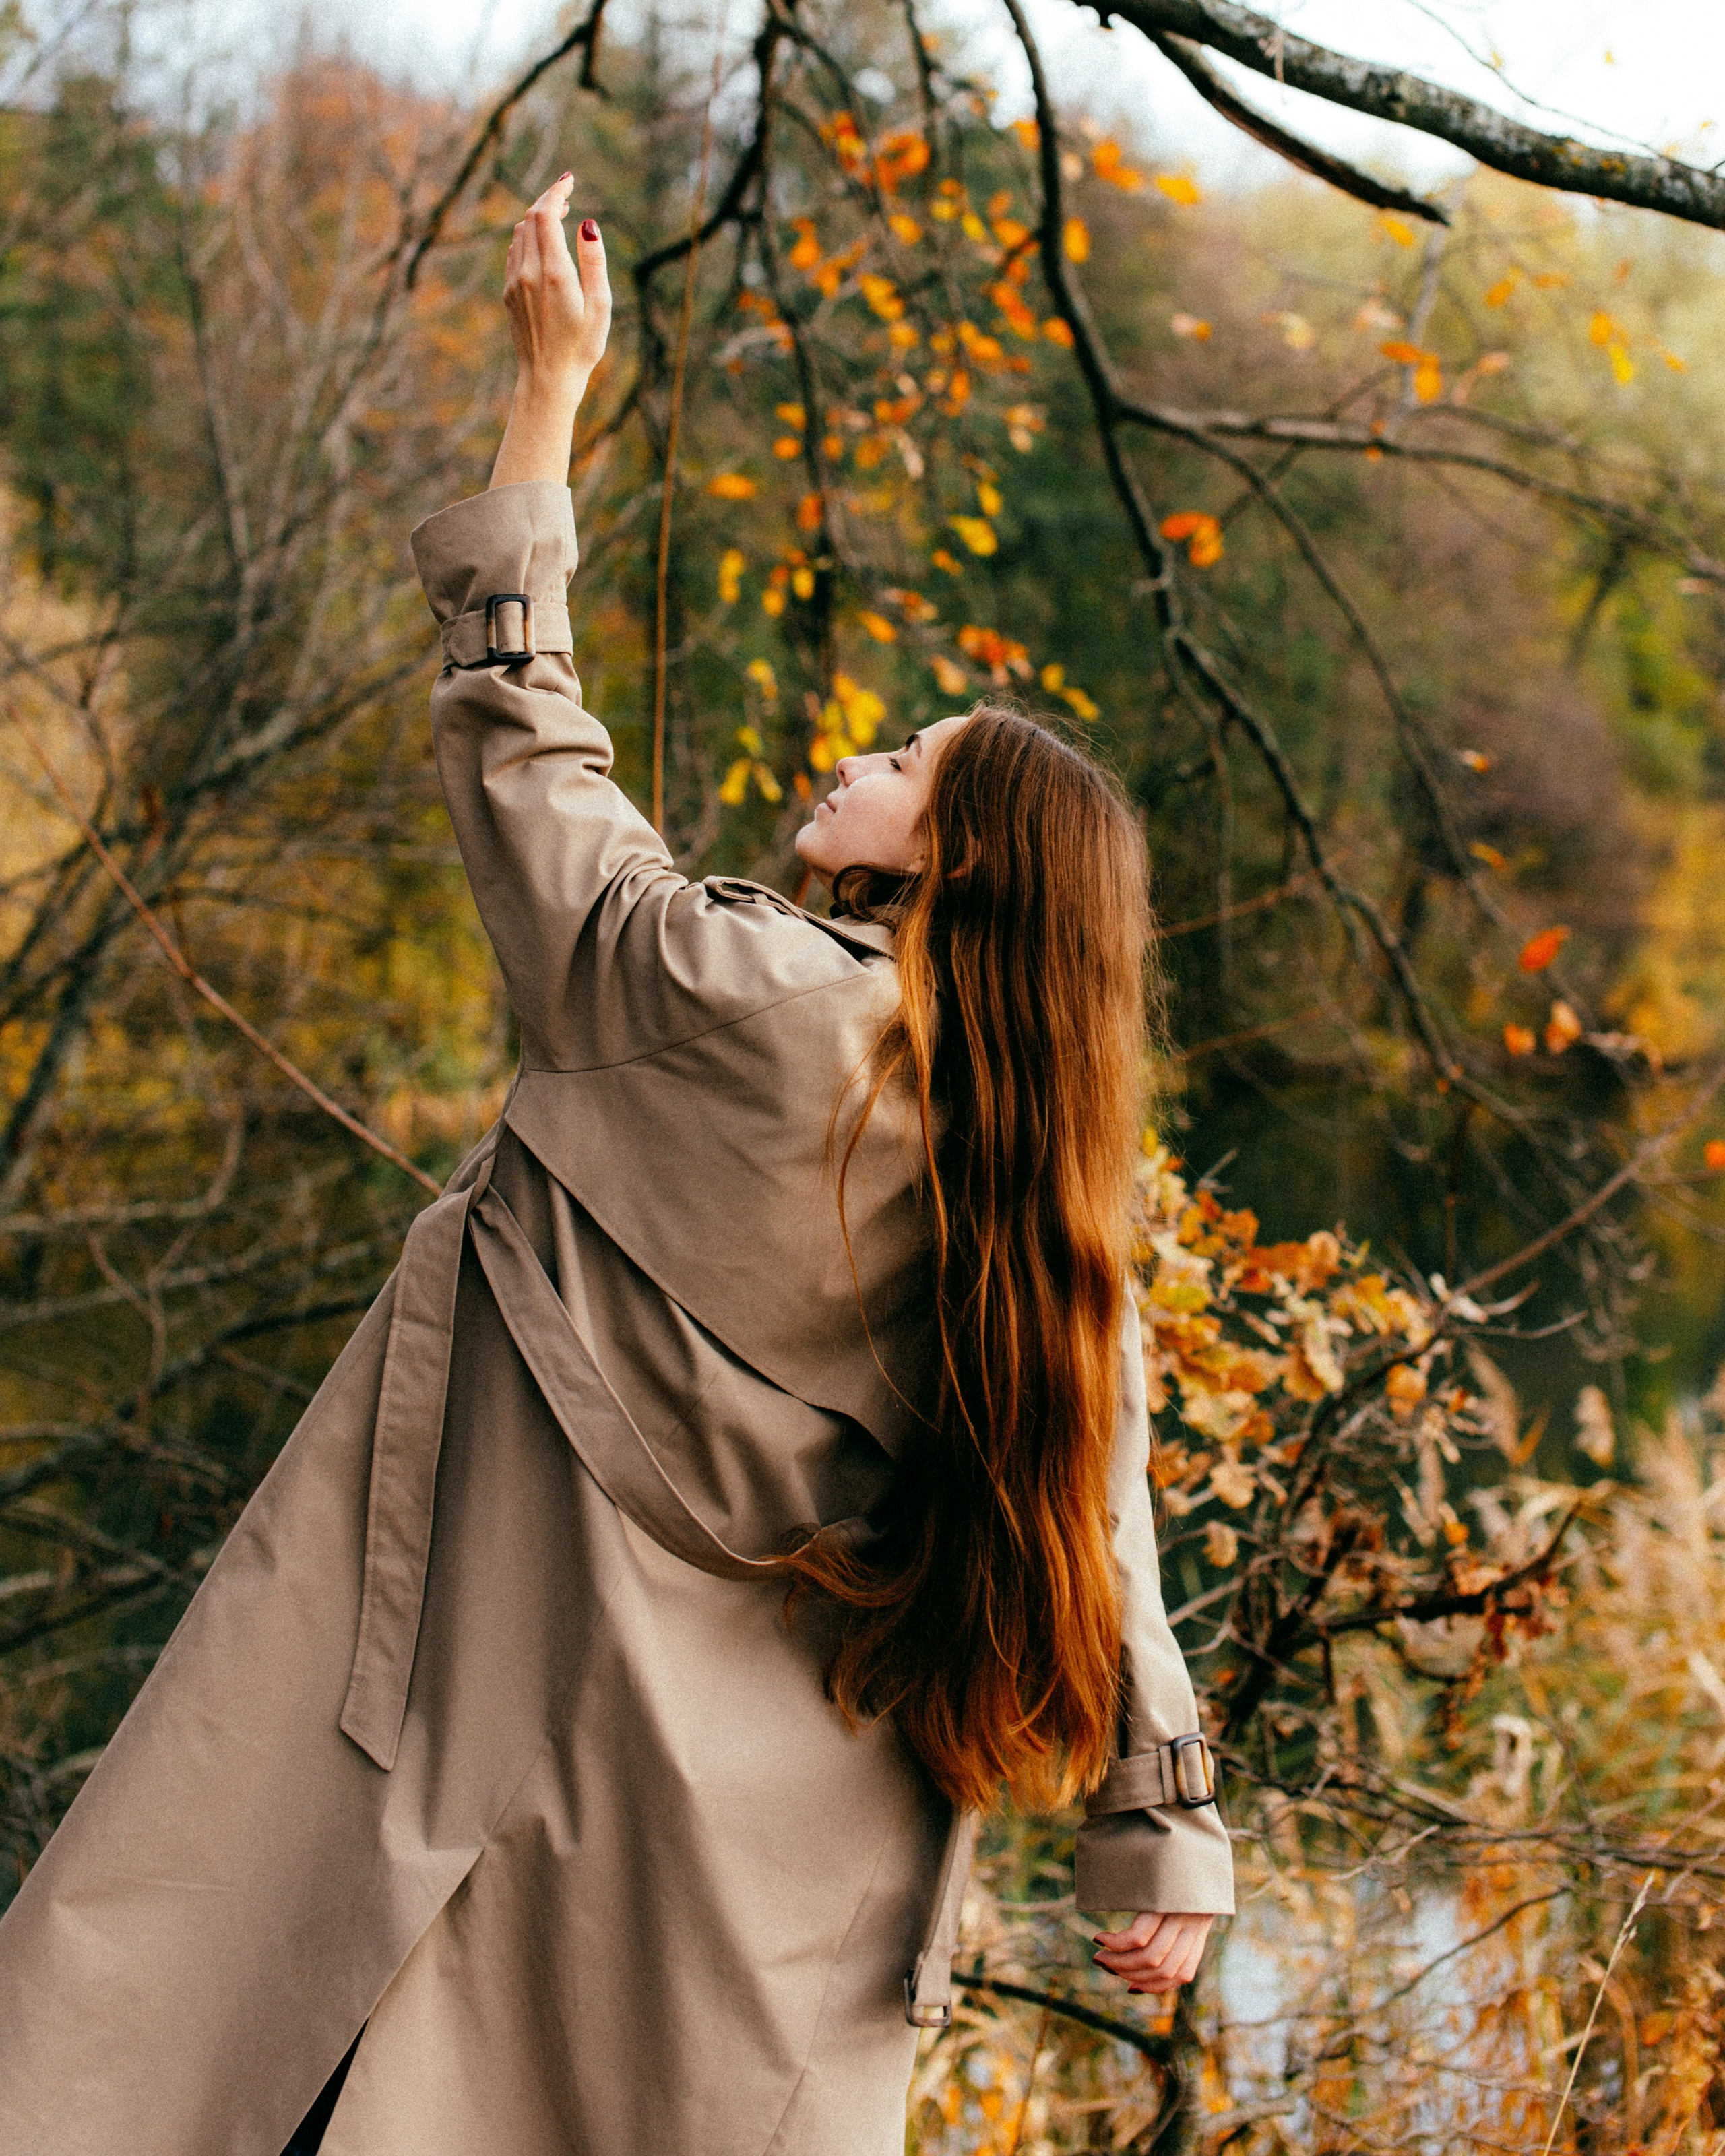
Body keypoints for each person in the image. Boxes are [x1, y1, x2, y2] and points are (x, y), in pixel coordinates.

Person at [0, 174, 1232, 2156]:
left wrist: (549, 390)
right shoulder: (1051, 1172)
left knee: (195, 2046)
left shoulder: (737, 998)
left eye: (910, 757)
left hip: (473, 1683)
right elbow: (1101, 1503)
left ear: (966, 856)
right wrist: (1158, 1838)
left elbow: (524, 745)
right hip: (744, 1830)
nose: (861, 756)